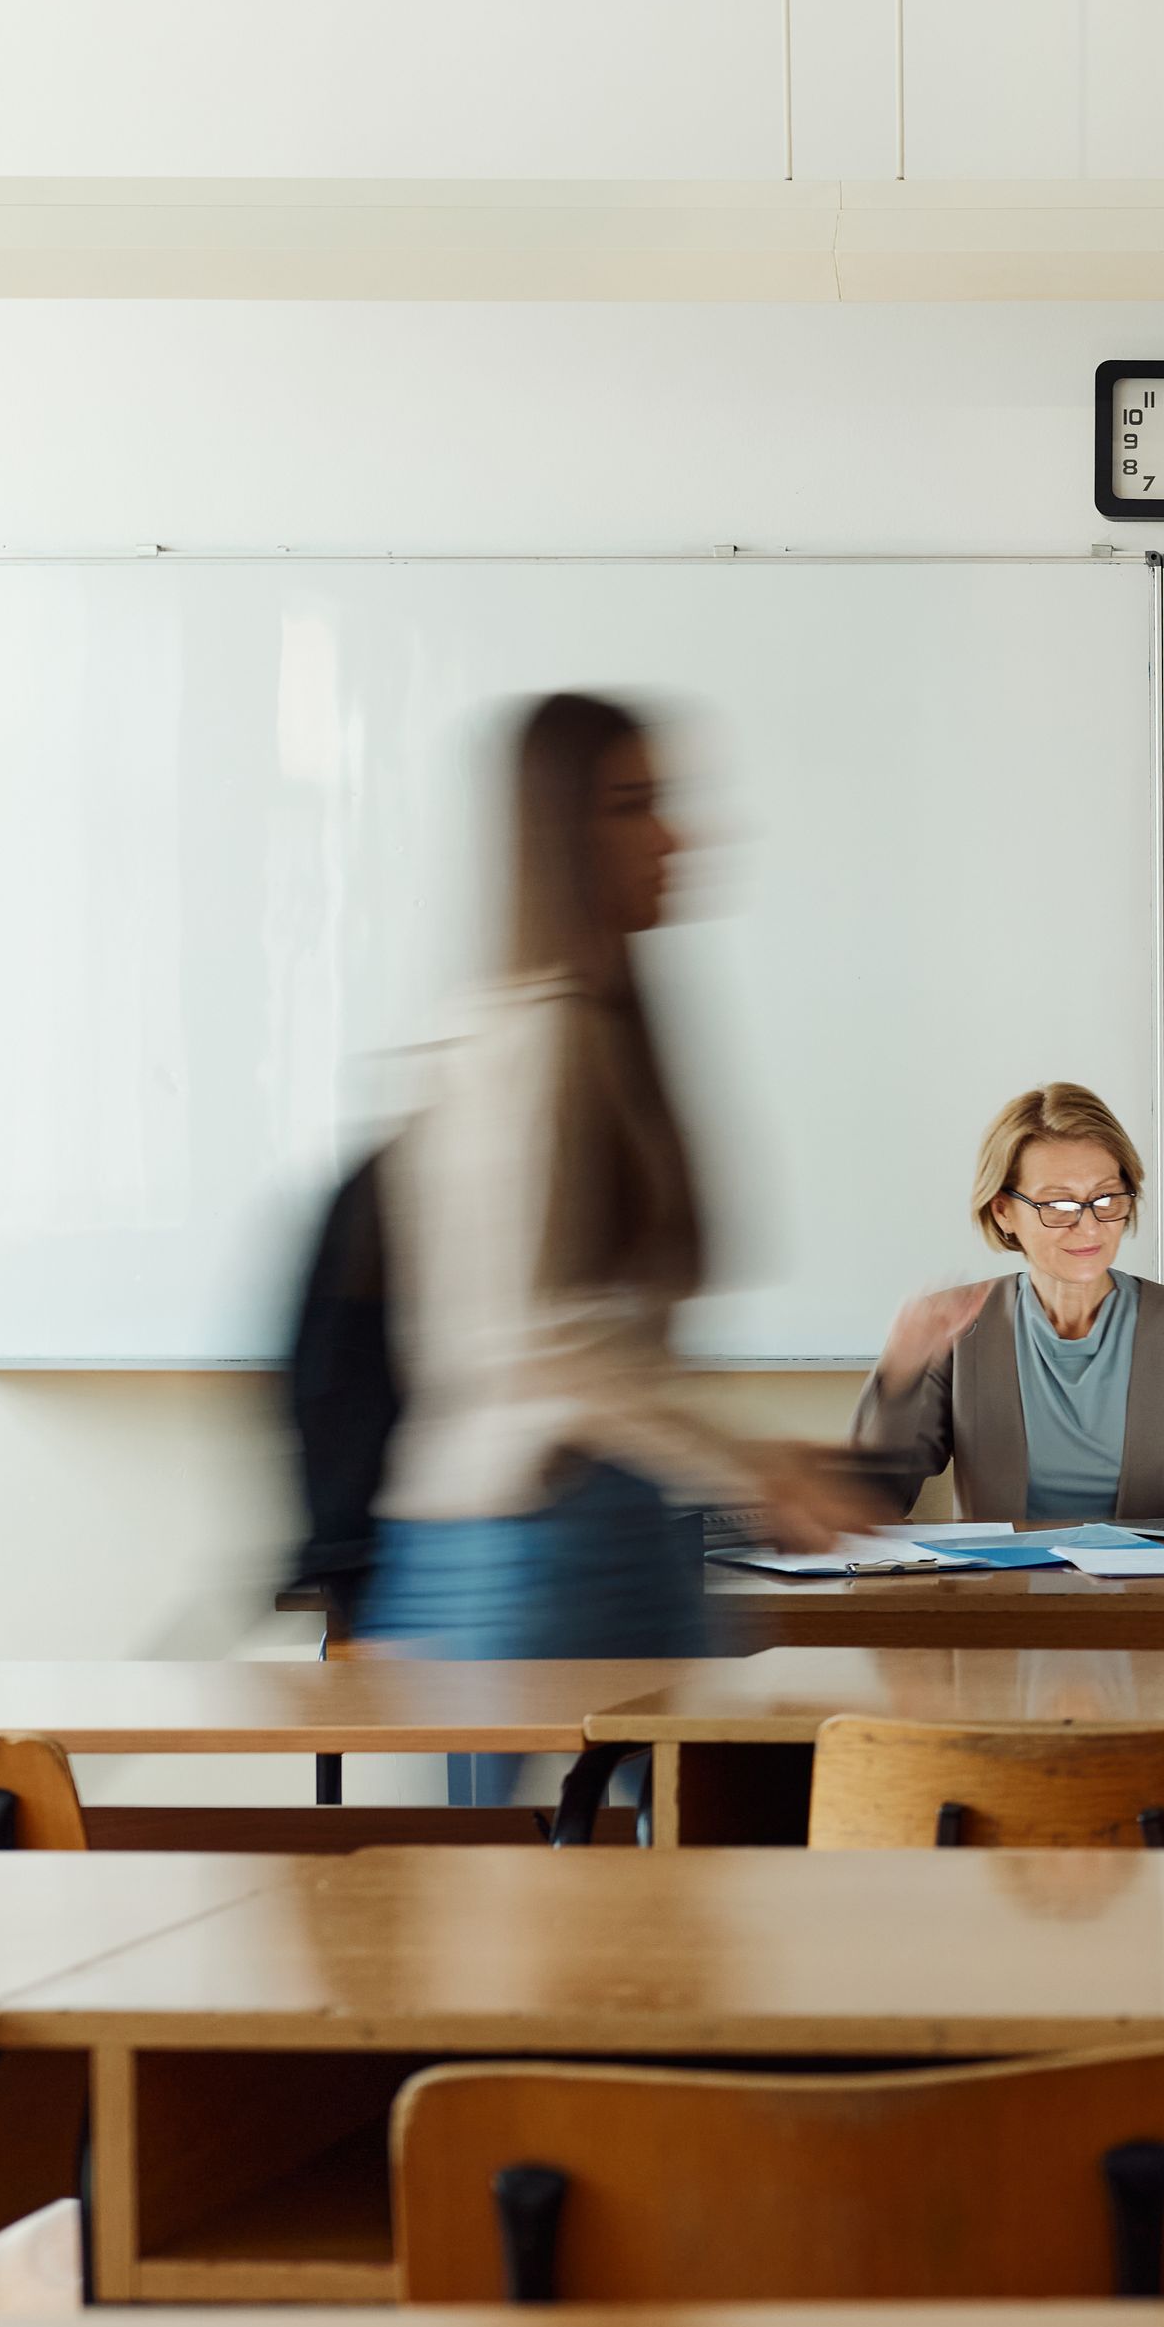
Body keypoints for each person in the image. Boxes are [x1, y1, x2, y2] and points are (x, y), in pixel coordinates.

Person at [368, 693, 869, 1805]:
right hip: (539, 1533)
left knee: (680, 1878)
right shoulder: (531, 1033)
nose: (678, 836)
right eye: (635, 805)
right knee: (578, 1922)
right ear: (559, 833)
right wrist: (752, 1466)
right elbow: (531, 1341)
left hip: (606, 1517)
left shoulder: (596, 1024)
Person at [853, 1083, 1164, 1524]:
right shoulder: (956, 1327)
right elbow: (871, 1503)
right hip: (1003, 1589)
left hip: (1155, 1587)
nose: (1088, 1227)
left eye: (1106, 1198)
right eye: (1058, 1204)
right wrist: (899, 1377)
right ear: (1003, 1210)